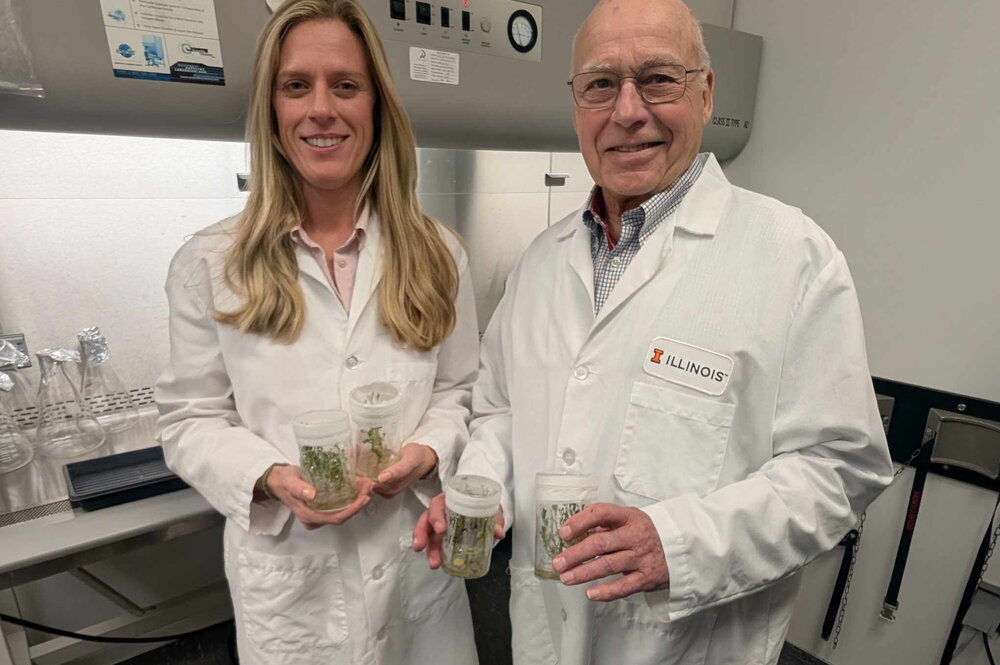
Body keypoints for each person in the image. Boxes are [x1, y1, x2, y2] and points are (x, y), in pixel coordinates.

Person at [414, 0, 894, 662]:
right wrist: (484, 485)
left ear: (706, 92)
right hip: (544, 634)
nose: (628, 111)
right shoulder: (542, 261)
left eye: (659, 78)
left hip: (686, 644)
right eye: (600, 84)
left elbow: (842, 464)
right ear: (577, 103)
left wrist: (679, 541)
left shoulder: (793, 257)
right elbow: (501, 409)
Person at [155, 1, 479, 663]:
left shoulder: (439, 253)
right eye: (296, 85)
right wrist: (272, 475)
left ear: (376, 107)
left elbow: (462, 391)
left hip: (416, 578)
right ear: (272, 111)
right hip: (294, 601)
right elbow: (189, 418)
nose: (321, 108)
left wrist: (425, 449)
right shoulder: (210, 261)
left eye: (346, 85)